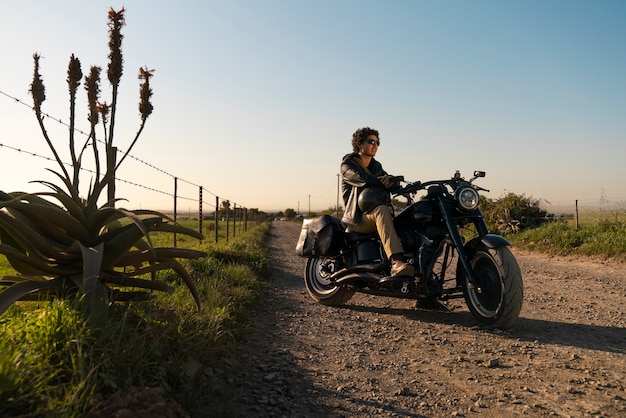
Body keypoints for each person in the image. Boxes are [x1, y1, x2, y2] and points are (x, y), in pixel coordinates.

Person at [340, 127, 414, 277]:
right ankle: (396, 262)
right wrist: (381, 181)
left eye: (377, 142)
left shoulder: (376, 166)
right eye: (371, 141)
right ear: (359, 144)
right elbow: (360, 178)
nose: (375, 145)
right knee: (382, 210)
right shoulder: (347, 165)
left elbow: (389, 182)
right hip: (357, 219)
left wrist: (404, 187)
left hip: (371, 215)